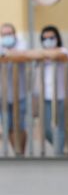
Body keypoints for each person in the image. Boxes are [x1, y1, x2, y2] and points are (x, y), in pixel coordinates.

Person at [28, 26, 68, 156]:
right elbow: (28, 54)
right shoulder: (40, 52)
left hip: (62, 94)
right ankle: (60, 147)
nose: (48, 40)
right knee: (46, 128)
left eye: (51, 38)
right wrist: (44, 54)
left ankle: (59, 153)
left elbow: (60, 55)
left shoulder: (64, 50)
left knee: (60, 125)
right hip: (44, 95)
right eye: (45, 38)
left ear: (57, 38)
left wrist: (43, 54)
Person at [1, 22, 29, 155]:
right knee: (8, 125)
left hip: (20, 92)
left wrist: (6, 54)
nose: (7, 36)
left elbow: (22, 54)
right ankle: (17, 152)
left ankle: (21, 152)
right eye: (4, 34)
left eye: (9, 33)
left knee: (20, 125)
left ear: (14, 34)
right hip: (3, 94)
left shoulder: (22, 43)